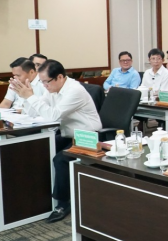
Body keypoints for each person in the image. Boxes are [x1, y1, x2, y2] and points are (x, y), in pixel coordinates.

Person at [10, 60, 101, 223]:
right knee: (41, 148)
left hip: (87, 137)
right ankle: (39, 195)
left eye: (46, 82)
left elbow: (53, 115)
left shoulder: (74, 90)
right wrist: (25, 96)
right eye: (42, 81)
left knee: (60, 159)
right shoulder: (52, 88)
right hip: (68, 135)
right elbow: (33, 113)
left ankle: (62, 203)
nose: (44, 85)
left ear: (59, 77)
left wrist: (31, 97)